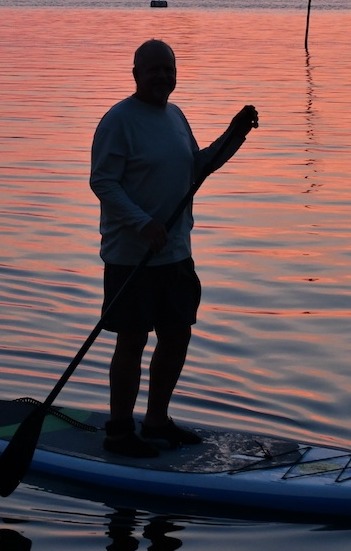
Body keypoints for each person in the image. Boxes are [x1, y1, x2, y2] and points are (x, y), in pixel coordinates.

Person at [89, 39, 258, 457]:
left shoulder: (176, 116)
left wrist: (235, 133)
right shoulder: (118, 121)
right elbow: (103, 182)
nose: (163, 76)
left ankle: (157, 422)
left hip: (176, 252)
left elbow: (198, 168)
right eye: (154, 70)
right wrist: (141, 223)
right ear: (136, 75)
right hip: (132, 255)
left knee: (176, 335)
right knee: (131, 340)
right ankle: (119, 431)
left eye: (169, 69)